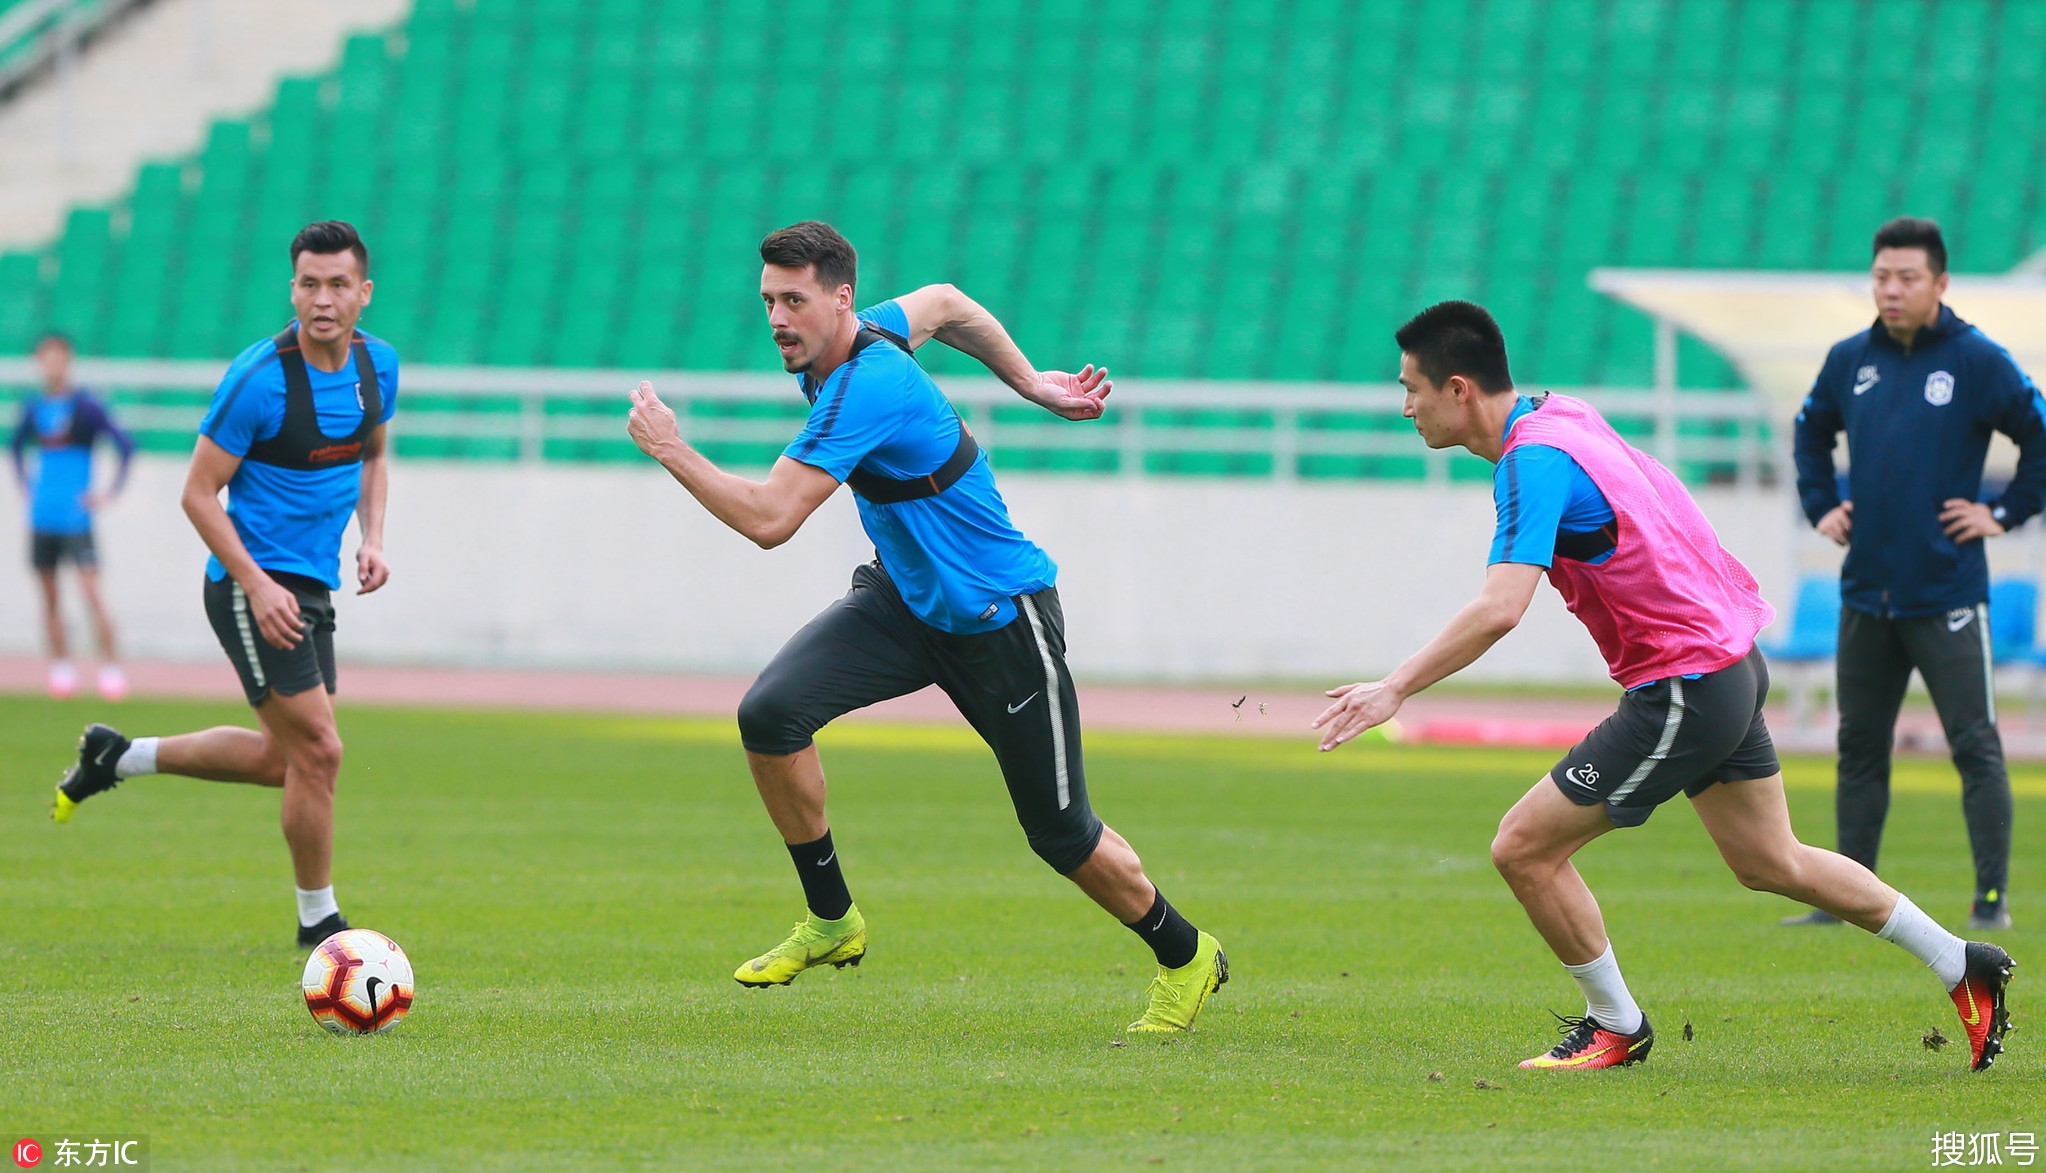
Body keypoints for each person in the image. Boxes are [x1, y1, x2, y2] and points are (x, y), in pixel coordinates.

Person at [1312, 300, 2015, 1072]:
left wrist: (1395, 688)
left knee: (1522, 848)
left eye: (1411, 388)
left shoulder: (1531, 462)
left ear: (1458, 389)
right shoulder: (1561, 413)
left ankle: (1615, 1022)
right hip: (1728, 663)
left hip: (1685, 683)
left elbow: (1501, 608)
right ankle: (1962, 961)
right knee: (1770, 860)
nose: (1405, 405)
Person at [624, 221, 1227, 1032]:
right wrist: (1032, 385)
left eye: (793, 300)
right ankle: (833, 919)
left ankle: (1186, 954)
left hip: (997, 616)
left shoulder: (865, 384)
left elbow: (771, 519)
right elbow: (944, 303)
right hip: (904, 603)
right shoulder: (856, 333)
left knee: (1061, 833)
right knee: (770, 716)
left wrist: (672, 448)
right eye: (768, 300)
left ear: (839, 299)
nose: (777, 319)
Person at [50, 221, 398, 949]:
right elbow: (199, 493)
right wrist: (257, 584)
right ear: (292, 288)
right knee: (323, 752)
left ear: (363, 293)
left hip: (310, 588)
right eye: (309, 283)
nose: (323, 299)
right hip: (251, 585)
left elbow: (372, 455)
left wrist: (374, 536)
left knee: (286, 760)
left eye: (338, 284)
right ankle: (319, 922)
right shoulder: (258, 379)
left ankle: (119, 755)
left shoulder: (378, 369)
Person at [1787, 216, 2039, 932]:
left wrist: (2005, 512)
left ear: (1940, 283)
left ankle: (1990, 899)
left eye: (1906, 278)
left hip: (1949, 594)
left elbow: (2039, 433)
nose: (1891, 290)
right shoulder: (1848, 359)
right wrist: (1821, 505)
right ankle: (1844, 902)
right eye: (1881, 277)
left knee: (1976, 746)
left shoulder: (1975, 360)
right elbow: (1810, 432)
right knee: (1859, 749)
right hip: (1866, 592)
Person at [10, 330, 135, 700]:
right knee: (49, 596)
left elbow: (126, 445)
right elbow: (15, 446)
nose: (52, 364)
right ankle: (60, 667)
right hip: (42, 516)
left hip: (76, 518)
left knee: (92, 594)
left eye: (58, 356)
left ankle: (111, 667)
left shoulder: (86, 406)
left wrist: (109, 493)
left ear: (68, 360)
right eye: (45, 357)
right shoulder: (33, 407)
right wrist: (25, 486)